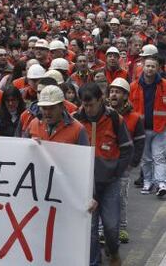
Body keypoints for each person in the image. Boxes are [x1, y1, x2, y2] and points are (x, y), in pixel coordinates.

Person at [73, 83, 133, 266]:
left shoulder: (115, 119)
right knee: (90, 230)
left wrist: (115, 172)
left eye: (91, 104)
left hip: (109, 184)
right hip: (85, 186)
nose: (88, 109)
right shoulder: (74, 120)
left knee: (111, 226)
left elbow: (127, 150)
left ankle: (113, 251)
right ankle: (95, 262)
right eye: (85, 105)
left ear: (101, 99)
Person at [108, 77, 145, 243]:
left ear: (125, 95)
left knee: (121, 198)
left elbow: (139, 142)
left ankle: (122, 228)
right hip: (105, 165)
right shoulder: (104, 114)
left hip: (123, 166)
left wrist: (132, 164)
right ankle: (103, 230)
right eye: (112, 91)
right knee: (103, 198)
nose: (114, 94)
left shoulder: (135, 118)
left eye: (118, 92)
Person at [130, 56, 166, 197]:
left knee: (159, 157)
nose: (150, 68)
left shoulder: (164, 85)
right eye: (148, 66)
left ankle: (161, 183)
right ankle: (147, 182)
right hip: (142, 129)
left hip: (161, 128)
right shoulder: (134, 86)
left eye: (153, 66)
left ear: (158, 68)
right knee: (146, 158)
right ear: (143, 67)